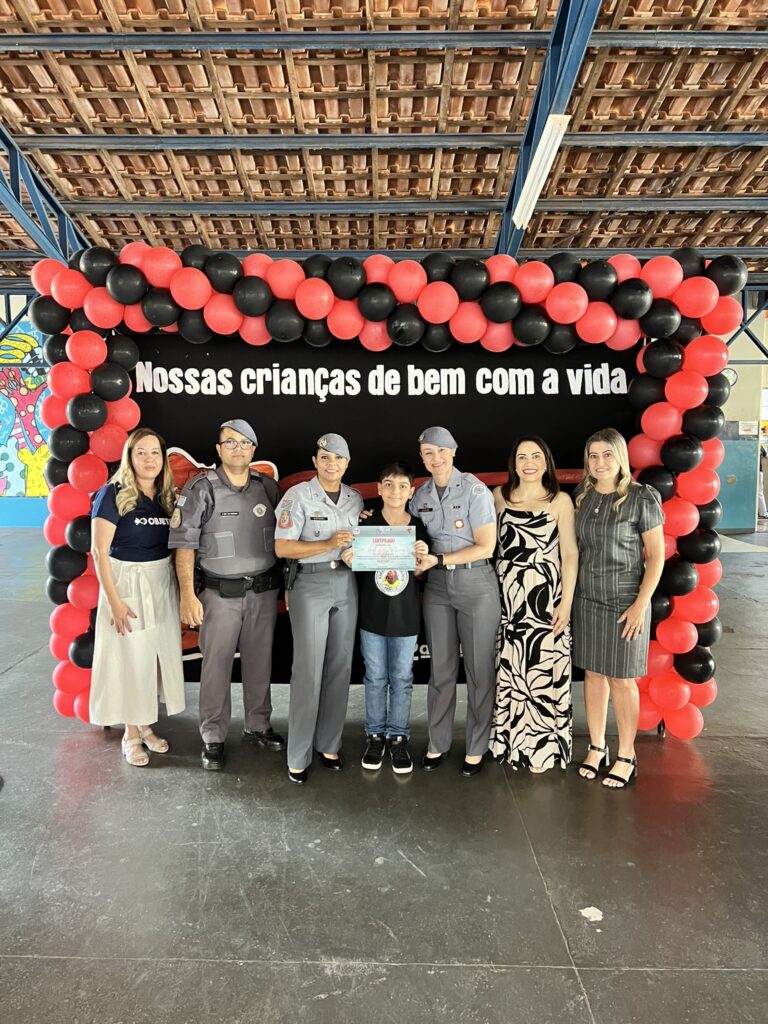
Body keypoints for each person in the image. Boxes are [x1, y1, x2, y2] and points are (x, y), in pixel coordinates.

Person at [169, 419, 284, 771]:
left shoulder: (267, 488)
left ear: (254, 450)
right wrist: (187, 596)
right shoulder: (201, 488)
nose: (238, 448)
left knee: (259, 662)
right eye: (230, 442)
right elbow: (184, 545)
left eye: (245, 443)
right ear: (218, 450)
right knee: (216, 666)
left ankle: (258, 724)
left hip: (263, 592)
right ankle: (213, 734)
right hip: (220, 594)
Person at [573, 428, 665, 789]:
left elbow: (656, 557)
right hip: (588, 599)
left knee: (623, 680)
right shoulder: (582, 496)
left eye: (607, 455)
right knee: (594, 675)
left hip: (627, 601)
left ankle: (626, 754)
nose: (600, 462)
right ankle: (597, 747)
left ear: (621, 457)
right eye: (593, 456)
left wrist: (641, 604)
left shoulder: (642, 497)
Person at [89, 427, 185, 765]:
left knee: (151, 658)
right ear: (129, 457)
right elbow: (99, 551)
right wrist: (114, 602)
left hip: (161, 582)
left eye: (155, 452)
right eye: (141, 452)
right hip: (126, 583)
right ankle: (130, 734)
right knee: (130, 658)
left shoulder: (167, 496)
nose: (149, 459)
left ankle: (144, 724)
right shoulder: (112, 493)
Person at [274, 433, 363, 784]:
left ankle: (329, 744)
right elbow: (282, 547)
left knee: (341, 666)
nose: (331, 464)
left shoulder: (354, 498)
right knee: (308, 670)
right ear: (315, 461)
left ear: (347, 463)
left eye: (338, 458)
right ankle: (298, 754)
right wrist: (327, 543)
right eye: (325, 457)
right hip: (309, 584)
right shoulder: (297, 496)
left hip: (345, 582)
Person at [411, 426, 500, 777]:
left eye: (441, 451)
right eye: (428, 453)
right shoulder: (420, 495)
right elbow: (412, 534)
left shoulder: (475, 490)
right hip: (436, 587)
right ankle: (438, 743)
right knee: (441, 670)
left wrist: (440, 560)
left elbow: (486, 546)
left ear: (454, 452)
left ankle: (477, 746)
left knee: (479, 671)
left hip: (475, 583)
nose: (436, 458)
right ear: (422, 458)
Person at [489, 437, 578, 773]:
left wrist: (565, 603)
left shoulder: (560, 501)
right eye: (522, 457)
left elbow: (570, 553)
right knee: (512, 671)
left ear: (546, 461)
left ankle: (542, 751)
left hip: (545, 600)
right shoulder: (499, 497)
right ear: (513, 463)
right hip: (508, 599)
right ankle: (509, 744)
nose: (529, 463)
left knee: (542, 672)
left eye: (536, 456)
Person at [341, 461, 429, 775]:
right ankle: (375, 735)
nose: (395, 491)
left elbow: (420, 575)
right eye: (389, 484)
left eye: (403, 486)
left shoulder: (418, 527)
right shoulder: (366, 524)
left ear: (411, 491)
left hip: (406, 616)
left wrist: (421, 561)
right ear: (379, 489)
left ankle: (399, 737)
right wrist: (350, 557)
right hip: (372, 614)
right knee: (376, 677)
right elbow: (357, 565)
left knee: (402, 678)